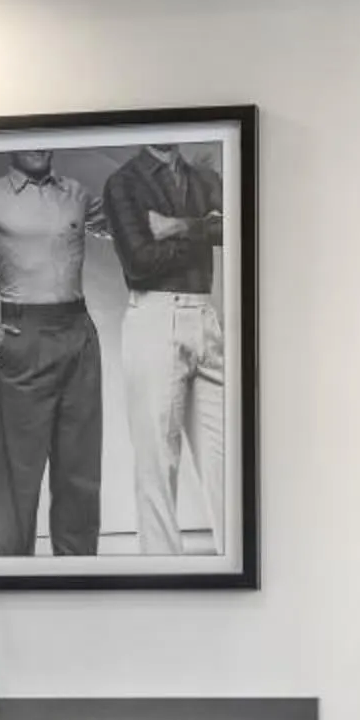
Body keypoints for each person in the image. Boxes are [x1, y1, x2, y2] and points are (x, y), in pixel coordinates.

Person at [0, 150, 107, 556]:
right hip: (25, 334)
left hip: (79, 333)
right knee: (19, 472)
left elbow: (123, 227)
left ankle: (77, 574)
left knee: (80, 470)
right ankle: (13, 571)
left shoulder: (77, 194)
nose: (37, 147)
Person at [102, 142, 226, 555]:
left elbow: (239, 226)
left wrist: (176, 226)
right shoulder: (124, 182)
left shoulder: (204, 178)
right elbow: (139, 262)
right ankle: (164, 571)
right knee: (156, 462)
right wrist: (203, 229)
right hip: (155, 314)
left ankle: (238, 569)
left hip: (205, 314)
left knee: (226, 458)